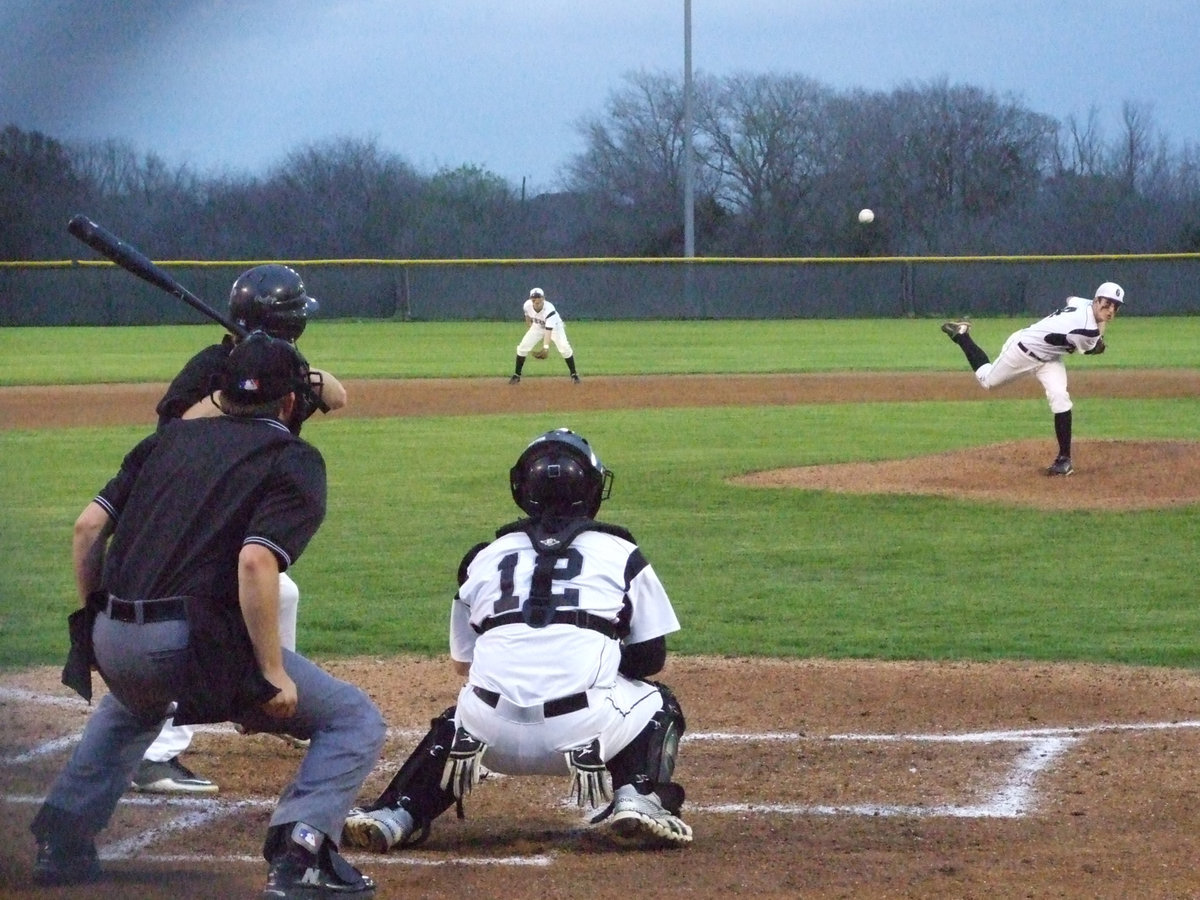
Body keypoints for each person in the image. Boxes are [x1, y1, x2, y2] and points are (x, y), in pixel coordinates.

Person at [31, 332, 385, 898]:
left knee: (132, 704)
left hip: (112, 637)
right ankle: (301, 856)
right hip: (186, 643)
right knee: (354, 720)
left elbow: (87, 529)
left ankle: (62, 839)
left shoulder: (164, 442)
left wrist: (94, 629)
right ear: (291, 404)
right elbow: (255, 562)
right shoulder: (291, 458)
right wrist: (269, 671)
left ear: (221, 393)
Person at [342, 427, 692, 853]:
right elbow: (650, 659)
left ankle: (395, 813)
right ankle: (639, 798)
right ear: (594, 488)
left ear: (521, 489)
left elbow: (464, 664)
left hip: (488, 740)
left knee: (462, 714)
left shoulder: (483, 558)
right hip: (585, 732)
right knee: (659, 701)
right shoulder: (622, 553)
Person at [132, 264, 347, 795]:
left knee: (281, 592)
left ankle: (263, 700)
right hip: (187, 520)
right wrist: (235, 382)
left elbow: (338, 396)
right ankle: (155, 754)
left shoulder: (283, 367)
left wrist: (287, 369)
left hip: (225, 518)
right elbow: (174, 433)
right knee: (187, 615)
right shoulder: (210, 365)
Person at [941, 281, 1125, 476]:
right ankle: (962, 336)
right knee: (987, 382)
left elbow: (1071, 299)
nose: (1111, 310)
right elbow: (1094, 348)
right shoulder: (1087, 330)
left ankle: (1064, 460)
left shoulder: (1085, 303)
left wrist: (1099, 314)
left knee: (1060, 397)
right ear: (1097, 300)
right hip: (1022, 351)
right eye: (1107, 304)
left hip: (1049, 359)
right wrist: (1100, 337)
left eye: (1116, 306)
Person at [509, 287, 581, 384]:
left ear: (543, 298)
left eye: (538, 297)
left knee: (564, 347)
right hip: (537, 326)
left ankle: (574, 374)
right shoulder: (527, 305)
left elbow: (548, 330)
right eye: (534, 298)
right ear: (531, 299)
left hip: (555, 327)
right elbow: (527, 317)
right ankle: (516, 375)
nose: (536, 300)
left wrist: (545, 347)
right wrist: (530, 329)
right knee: (522, 347)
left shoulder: (549, 309)